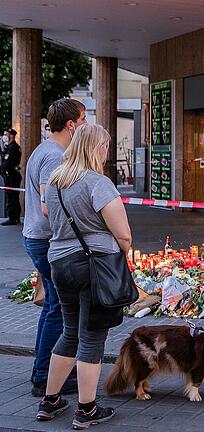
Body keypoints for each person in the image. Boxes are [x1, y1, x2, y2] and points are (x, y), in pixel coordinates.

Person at [36, 123, 129, 428]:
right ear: (96, 148)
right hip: (93, 265)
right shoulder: (97, 183)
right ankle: (86, 409)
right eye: (105, 146)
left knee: (69, 331)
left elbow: (51, 220)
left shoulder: (56, 182)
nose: (107, 152)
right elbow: (123, 235)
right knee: (92, 338)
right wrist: (123, 251)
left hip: (60, 263)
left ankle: (50, 401)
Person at [23, 98, 87, 397]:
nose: (85, 125)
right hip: (46, 239)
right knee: (59, 309)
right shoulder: (55, 155)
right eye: (83, 120)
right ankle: (45, 377)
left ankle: (42, 370)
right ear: (71, 124)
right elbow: (50, 205)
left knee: (52, 307)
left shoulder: (43, 149)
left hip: (35, 237)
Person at [1, 129, 22, 225]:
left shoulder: (13, 148)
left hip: (11, 175)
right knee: (13, 196)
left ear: (12, 136)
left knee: (11, 197)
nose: (4, 136)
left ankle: (12, 217)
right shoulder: (9, 147)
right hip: (11, 174)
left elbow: (8, 163)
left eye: (6, 134)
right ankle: (15, 217)